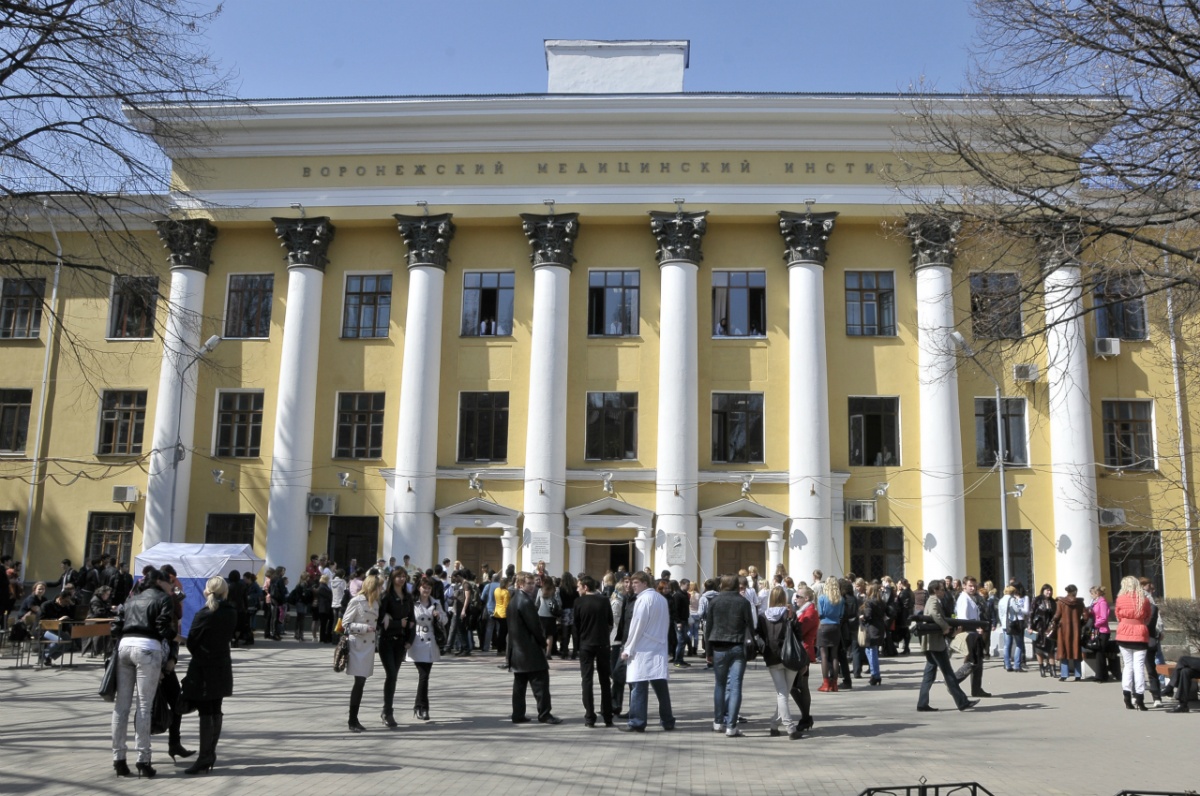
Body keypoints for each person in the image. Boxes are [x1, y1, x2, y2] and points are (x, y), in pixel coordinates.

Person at [109, 568, 176, 778]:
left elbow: (115, 627)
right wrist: (175, 637)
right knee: (144, 706)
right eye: (168, 581)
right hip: (148, 648)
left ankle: (118, 758)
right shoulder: (164, 599)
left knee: (121, 706)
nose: (171, 585)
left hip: (124, 647)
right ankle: (143, 759)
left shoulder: (131, 600)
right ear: (159, 581)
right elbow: (163, 627)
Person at [179, 576, 236, 775]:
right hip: (221, 665)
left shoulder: (205, 613)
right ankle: (209, 754)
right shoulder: (231, 612)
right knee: (215, 708)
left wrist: (200, 652)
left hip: (204, 666)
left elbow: (192, 642)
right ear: (225, 591)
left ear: (207, 591)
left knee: (205, 710)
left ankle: (205, 757)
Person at [620, 570, 675, 732]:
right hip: (657, 648)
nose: (632, 586)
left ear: (645, 583)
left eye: (636, 583)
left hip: (642, 649)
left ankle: (637, 722)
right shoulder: (661, 599)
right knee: (660, 687)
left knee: (638, 686)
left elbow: (637, 625)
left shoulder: (643, 600)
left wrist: (628, 648)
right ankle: (668, 720)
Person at [506, 571, 561, 724]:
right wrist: (543, 642)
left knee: (520, 684)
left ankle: (517, 714)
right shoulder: (525, 601)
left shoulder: (514, 600)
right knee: (540, 684)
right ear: (520, 584)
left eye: (533, 583)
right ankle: (544, 714)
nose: (532, 586)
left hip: (517, 650)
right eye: (528, 583)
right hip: (529, 650)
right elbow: (535, 627)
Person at [916, 580, 977, 713]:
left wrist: (950, 632)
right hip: (936, 644)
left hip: (932, 643)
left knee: (929, 674)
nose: (944, 591)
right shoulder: (933, 601)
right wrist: (945, 628)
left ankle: (922, 703)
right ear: (935, 590)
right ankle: (962, 702)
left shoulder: (933, 600)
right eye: (941, 589)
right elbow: (935, 614)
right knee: (948, 673)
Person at [705, 573, 755, 736]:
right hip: (738, 647)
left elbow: (709, 627)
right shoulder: (743, 602)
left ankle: (718, 722)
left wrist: (708, 650)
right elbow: (750, 626)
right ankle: (731, 726)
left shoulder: (714, 601)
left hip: (719, 647)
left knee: (719, 685)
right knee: (735, 686)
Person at [758, 586, 804, 739]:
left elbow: (759, 636)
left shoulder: (763, 616)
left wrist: (765, 648)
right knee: (783, 693)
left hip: (772, 657)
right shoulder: (790, 613)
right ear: (784, 598)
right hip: (791, 657)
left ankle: (774, 724)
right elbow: (799, 635)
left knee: (782, 693)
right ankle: (790, 728)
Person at [343, 569, 382, 732]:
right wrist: (365, 627)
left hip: (368, 647)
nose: (381, 590)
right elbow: (346, 624)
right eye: (379, 587)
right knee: (358, 683)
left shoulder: (376, 603)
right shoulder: (357, 601)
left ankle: (354, 719)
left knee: (361, 683)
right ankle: (352, 720)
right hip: (357, 646)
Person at [574, 574, 614, 727]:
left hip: (586, 645)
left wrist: (577, 645)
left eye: (579, 586)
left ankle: (589, 716)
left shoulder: (578, 602)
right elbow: (610, 622)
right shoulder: (604, 601)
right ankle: (608, 716)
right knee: (605, 680)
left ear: (585, 587)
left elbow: (575, 626)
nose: (577, 589)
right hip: (603, 644)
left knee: (587, 680)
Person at [378, 568, 415, 728]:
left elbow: (412, 620)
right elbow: (380, 620)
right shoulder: (386, 596)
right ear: (392, 579)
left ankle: (386, 710)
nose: (401, 579)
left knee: (394, 676)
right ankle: (388, 711)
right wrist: (398, 623)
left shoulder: (408, 597)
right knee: (391, 675)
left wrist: (409, 640)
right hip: (386, 641)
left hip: (401, 642)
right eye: (398, 576)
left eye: (403, 576)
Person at [409, 576, 447, 720]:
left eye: (429, 588)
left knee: (425, 676)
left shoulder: (436, 603)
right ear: (419, 587)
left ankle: (421, 707)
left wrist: (439, 616)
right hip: (417, 642)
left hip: (431, 642)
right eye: (424, 587)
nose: (426, 590)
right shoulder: (412, 603)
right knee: (423, 676)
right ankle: (421, 708)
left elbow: (445, 619)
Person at [1115, 574, 1152, 711]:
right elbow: (1148, 616)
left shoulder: (1120, 599)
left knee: (1127, 666)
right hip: (1140, 633)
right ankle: (1140, 698)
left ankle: (1126, 695)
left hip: (1123, 633)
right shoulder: (1143, 599)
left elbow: (1118, 616)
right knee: (1139, 667)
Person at [788, 585, 819, 733]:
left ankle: (806, 717)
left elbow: (800, 630)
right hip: (801, 651)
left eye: (798, 597)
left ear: (806, 598)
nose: (796, 599)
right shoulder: (803, 611)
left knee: (798, 686)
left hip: (803, 653)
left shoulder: (810, 612)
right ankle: (805, 717)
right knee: (796, 686)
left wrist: (791, 620)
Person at [953, 577, 991, 698]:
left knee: (978, 662)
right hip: (970, 633)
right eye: (970, 586)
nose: (973, 588)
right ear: (964, 586)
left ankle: (976, 689)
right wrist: (975, 628)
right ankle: (953, 681)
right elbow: (964, 619)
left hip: (974, 632)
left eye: (974, 586)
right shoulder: (964, 599)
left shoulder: (970, 598)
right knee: (972, 661)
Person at [816, 576, 844, 692]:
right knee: (834, 655)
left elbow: (820, 613)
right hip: (836, 626)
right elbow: (841, 614)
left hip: (824, 626)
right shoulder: (840, 599)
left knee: (824, 655)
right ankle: (835, 683)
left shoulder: (822, 598)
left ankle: (826, 683)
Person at [1054, 584, 1085, 681]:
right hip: (1076, 629)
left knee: (1064, 650)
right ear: (1075, 591)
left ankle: (1064, 675)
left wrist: (1053, 622)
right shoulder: (1080, 603)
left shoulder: (1061, 602)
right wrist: (1081, 623)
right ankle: (1078, 674)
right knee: (1076, 650)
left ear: (1067, 592)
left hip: (1063, 629)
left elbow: (1057, 615)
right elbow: (1085, 616)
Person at [859, 583, 888, 686]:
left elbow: (868, 615)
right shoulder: (881, 602)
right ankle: (875, 674)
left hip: (871, 629)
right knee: (871, 650)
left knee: (872, 651)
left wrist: (862, 617)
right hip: (879, 627)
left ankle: (875, 674)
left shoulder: (869, 602)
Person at [997, 585, 1027, 672]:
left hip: (1004, 625)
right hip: (1013, 624)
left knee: (1006, 645)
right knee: (1019, 644)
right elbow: (1017, 610)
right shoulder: (1012, 599)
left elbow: (1000, 613)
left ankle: (1007, 664)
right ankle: (1017, 665)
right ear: (1013, 592)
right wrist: (1018, 603)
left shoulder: (1001, 600)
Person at [1030, 583, 1058, 677]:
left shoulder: (1053, 602)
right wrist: (1030, 626)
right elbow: (1031, 613)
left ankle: (1052, 668)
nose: (1049, 592)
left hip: (1050, 629)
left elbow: (1056, 615)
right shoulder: (1037, 600)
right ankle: (1041, 668)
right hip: (1039, 627)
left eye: (1050, 590)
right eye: (1047, 590)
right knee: (1039, 649)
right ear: (1043, 591)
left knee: (1051, 649)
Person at [1089, 585, 1112, 682]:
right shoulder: (1094, 603)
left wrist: (1095, 624)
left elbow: (1103, 617)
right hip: (1096, 630)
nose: (1091, 596)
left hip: (1102, 630)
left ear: (1097, 593)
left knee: (1100, 653)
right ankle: (1101, 674)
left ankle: (1101, 675)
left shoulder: (1102, 603)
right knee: (1097, 652)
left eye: (1092, 594)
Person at [535, 577, 560, 659]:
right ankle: (548, 653)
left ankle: (541, 652)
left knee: (542, 634)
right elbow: (559, 602)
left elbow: (537, 603)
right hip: (551, 615)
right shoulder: (555, 591)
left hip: (541, 614)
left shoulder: (540, 590)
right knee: (550, 635)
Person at [314, 574, 334, 643]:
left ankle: (325, 637)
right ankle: (323, 638)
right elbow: (328, 596)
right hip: (324, 607)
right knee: (323, 623)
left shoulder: (324, 586)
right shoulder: (322, 587)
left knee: (325, 623)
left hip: (326, 607)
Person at [492, 576, 510, 655]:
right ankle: (501, 649)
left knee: (500, 632)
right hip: (504, 613)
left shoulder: (496, 590)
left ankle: (499, 648)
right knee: (503, 632)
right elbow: (506, 604)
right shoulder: (506, 592)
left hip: (497, 612)